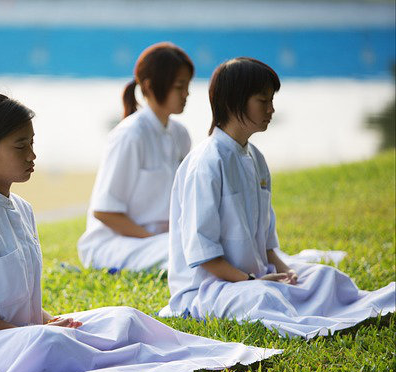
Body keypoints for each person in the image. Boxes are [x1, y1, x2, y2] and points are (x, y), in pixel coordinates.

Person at [0, 93, 280, 372]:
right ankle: (128, 361)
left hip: (18, 335)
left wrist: (44, 317)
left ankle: (185, 356)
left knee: (124, 317)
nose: (33, 155)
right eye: (20, 146)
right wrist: (31, 328)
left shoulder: (21, 209)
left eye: (32, 143)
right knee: (53, 342)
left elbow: (15, 297)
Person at [160, 58, 395, 339]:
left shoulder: (255, 158)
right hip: (211, 287)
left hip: (258, 276)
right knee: (262, 299)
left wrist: (287, 272)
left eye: (271, 100)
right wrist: (253, 280)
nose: (271, 109)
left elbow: (267, 246)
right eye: (263, 101)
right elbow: (204, 257)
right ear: (235, 102)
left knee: (325, 278)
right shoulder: (206, 163)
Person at [78, 42, 193, 271]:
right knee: (188, 254)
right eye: (179, 86)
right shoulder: (129, 135)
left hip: (160, 240)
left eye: (187, 86)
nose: (186, 93)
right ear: (150, 87)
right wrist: (153, 238)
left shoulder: (180, 135)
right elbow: (104, 211)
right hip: (116, 244)